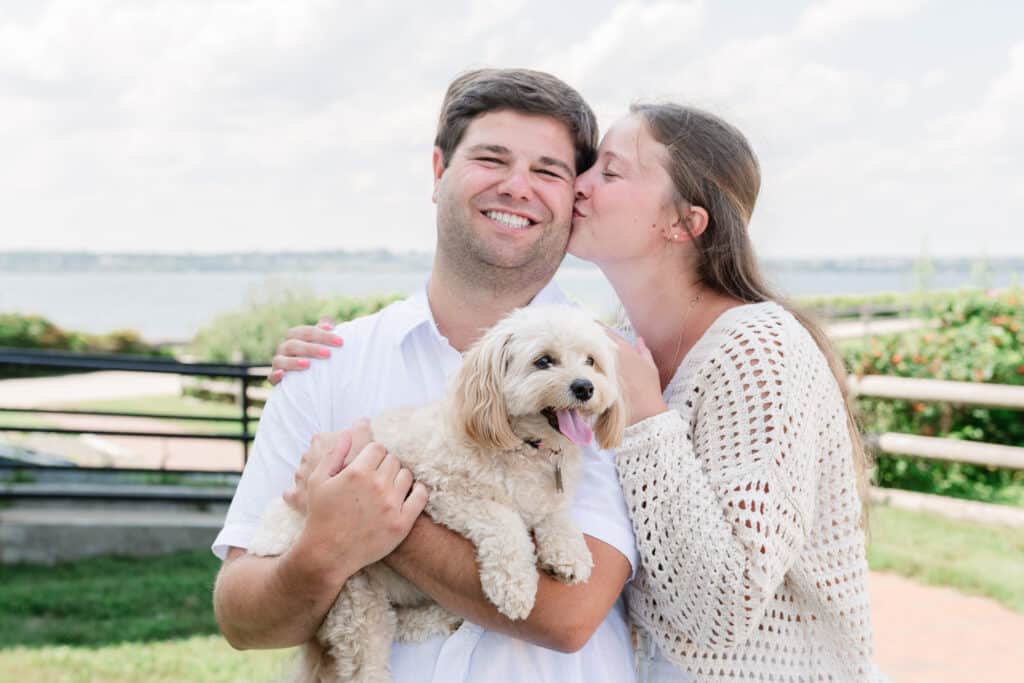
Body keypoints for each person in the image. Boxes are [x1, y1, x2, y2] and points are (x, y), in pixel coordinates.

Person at [277, 103, 881, 680]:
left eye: (609, 171)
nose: (578, 185)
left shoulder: (756, 350)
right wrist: (328, 357)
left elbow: (719, 613)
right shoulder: (617, 347)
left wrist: (645, 417)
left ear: (683, 223)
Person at [211, 68, 639, 683]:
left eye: (548, 171)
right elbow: (244, 621)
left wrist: (382, 521)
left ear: (573, 196)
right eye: (492, 159)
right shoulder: (324, 366)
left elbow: (568, 613)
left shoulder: (612, 378)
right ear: (438, 171)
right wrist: (321, 547)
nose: (518, 187)